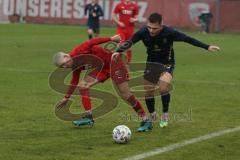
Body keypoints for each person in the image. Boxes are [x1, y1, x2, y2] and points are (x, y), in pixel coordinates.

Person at [113, 13, 220, 128]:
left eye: (154, 28)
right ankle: (153, 114)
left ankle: (165, 113)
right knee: (148, 92)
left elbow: (187, 39)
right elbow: (131, 41)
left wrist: (207, 46)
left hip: (166, 63)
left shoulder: (170, 32)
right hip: (151, 64)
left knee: (163, 87)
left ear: (161, 26)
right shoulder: (143, 32)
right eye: (149, 27)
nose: (151, 30)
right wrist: (118, 51)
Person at [53, 35, 152, 132]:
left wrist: (111, 39)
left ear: (66, 56)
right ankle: (88, 117)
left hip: (115, 64)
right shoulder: (74, 64)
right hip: (103, 69)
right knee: (83, 86)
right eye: (63, 67)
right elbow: (74, 80)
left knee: (126, 95)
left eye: (64, 63)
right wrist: (66, 97)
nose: (65, 66)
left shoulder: (79, 51)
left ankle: (146, 120)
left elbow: (93, 41)